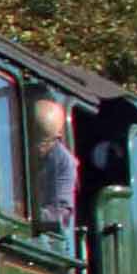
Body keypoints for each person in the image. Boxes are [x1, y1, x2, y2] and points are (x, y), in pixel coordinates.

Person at [29, 94, 81, 234]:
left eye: (43, 142)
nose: (36, 148)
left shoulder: (64, 163)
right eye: (32, 140)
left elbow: (59, 215)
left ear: (57, 138)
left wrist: (24, 211)